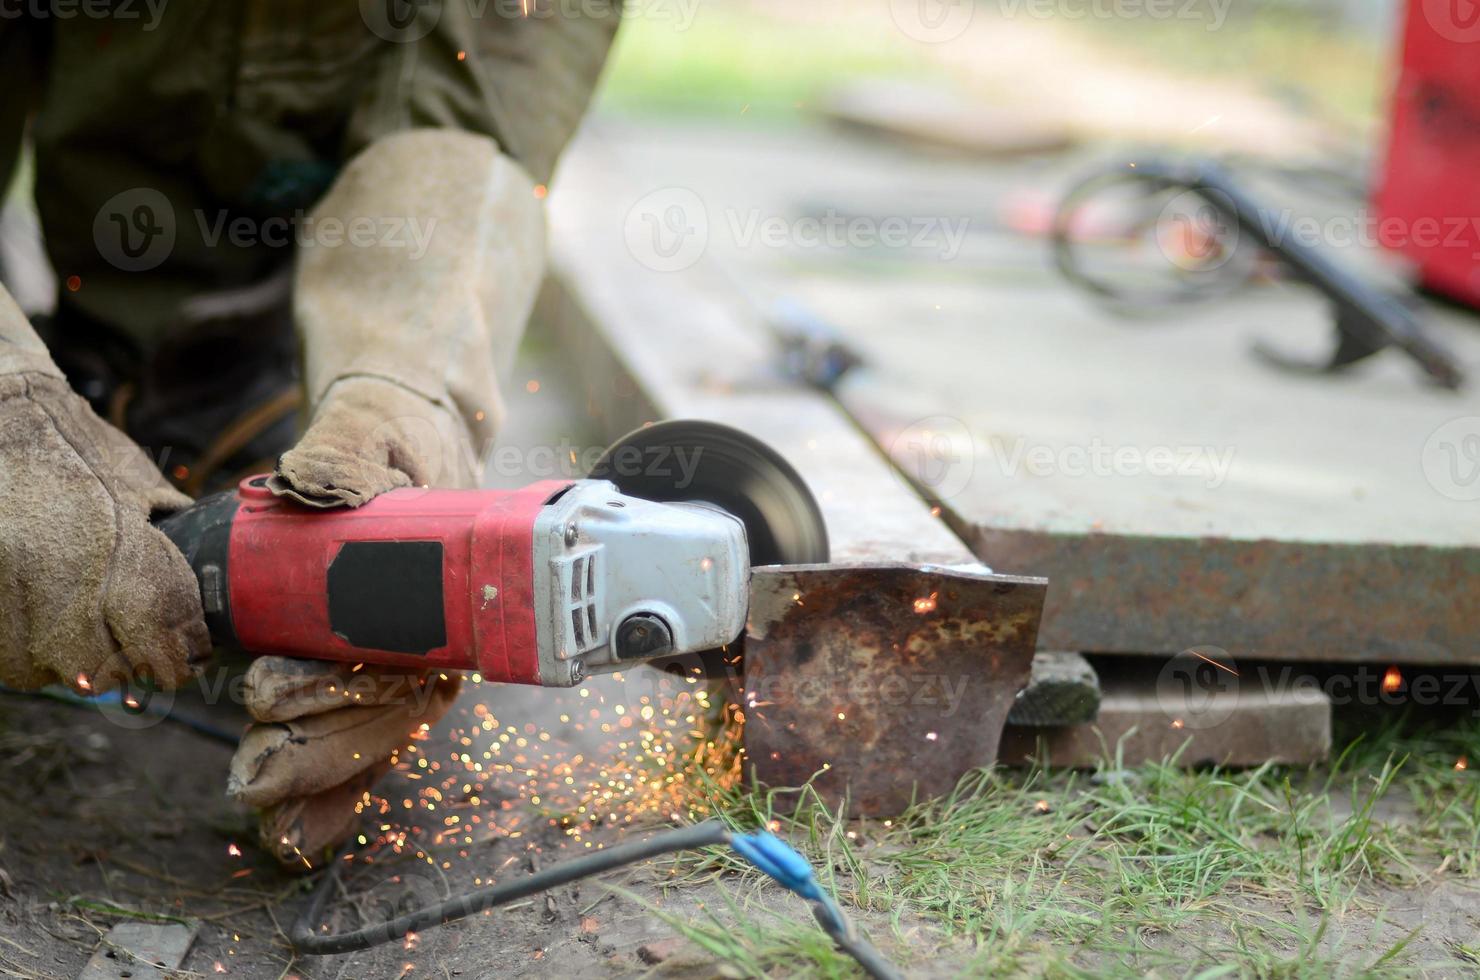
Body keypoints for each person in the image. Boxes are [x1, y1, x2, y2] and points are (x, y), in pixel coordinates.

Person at [0, 4, 619, 866]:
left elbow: (479, 96)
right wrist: (11, 413)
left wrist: (406, 390)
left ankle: (210, 394)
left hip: (261, 330)